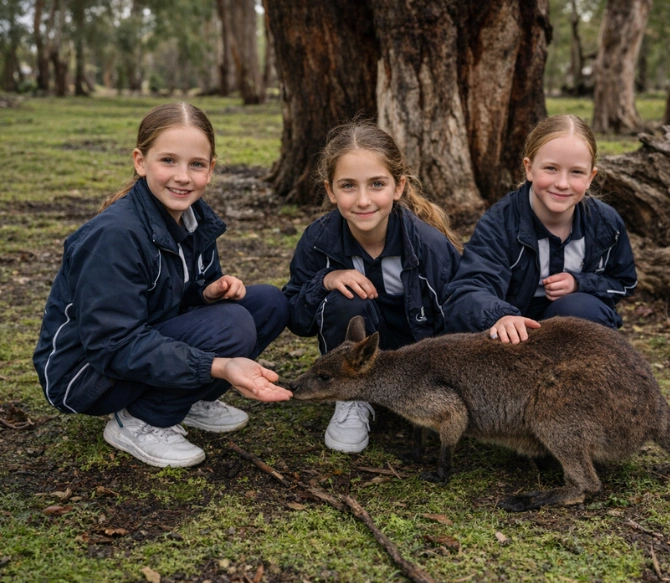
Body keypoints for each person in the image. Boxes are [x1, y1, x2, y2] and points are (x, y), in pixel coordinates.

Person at [33, 103, 292, 469]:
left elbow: (167, 298)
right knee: (231, 325)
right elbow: (112, 345)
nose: (183, 177)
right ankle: (142, 420)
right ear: (140, 162)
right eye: (168, 161)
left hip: (138, 344)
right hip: (85, 375)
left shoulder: (194, 218)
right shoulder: (115, 236)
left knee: (267, 302)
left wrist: (205, 292)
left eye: (196, 164)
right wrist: (219, 366)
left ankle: (190, 399)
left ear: (211, 169)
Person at [283, 121, 461, 453]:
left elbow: (459, 315)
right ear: (330, 191)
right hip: (357, 363)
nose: (363, 200)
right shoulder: (319, 240)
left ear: (398, 186)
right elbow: (296, 316)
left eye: (377, 184)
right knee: (345, 298)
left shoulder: (429, 246)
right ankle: (351, 401)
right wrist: (324, 281)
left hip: (416, 366)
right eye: (348, 186)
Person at [444, 114, 637, 342]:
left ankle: (586, 375)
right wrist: (500, 316)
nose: (562, 183)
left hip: (572, 332)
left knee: (582, 309)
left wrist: (580, 283)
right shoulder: (501, 222)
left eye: (576, 172)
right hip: (514, 336)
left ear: (590, 177)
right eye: (551, 168)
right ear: (529, 168)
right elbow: (470, 288)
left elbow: (624, 282)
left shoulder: (605, 223)